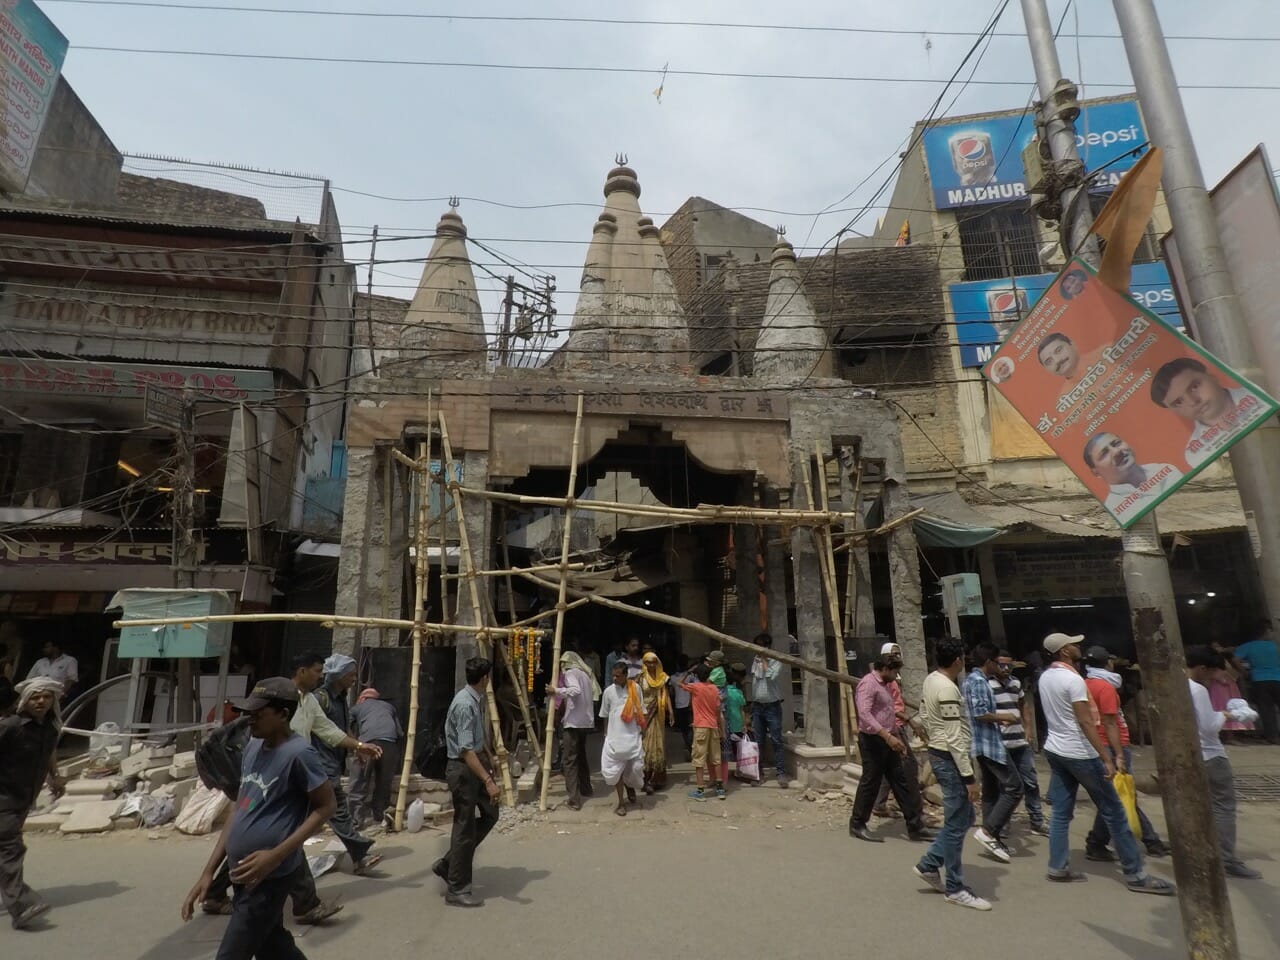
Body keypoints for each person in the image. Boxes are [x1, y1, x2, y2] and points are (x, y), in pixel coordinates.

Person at [181, 677, 336, 959]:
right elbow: (242, 807)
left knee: (232, 954)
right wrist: (208, 871)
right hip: (242, 872)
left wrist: (276, 855)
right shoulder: (253, 747)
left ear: (283, 715)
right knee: (273, 946)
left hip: (270, 875)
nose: (248, 720)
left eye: (258, 714)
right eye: (248, 713)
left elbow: (326, 807)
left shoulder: (300, 754)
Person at [1037, 632, 1173, 894]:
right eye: (1073, 644)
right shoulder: (1072, 680)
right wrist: (1106, 757)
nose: (1078, 647)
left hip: (1055, 749)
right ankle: (1136, 874)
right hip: (1080, 752)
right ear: (1064, 651)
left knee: (1061, 814)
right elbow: (1087, 721)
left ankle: (1058, 866)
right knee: (1114, 811)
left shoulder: (1047, 677)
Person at [912, 638, 990, 911]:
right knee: (957, 823)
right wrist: (969, 778)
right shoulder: (946, 689)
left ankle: (929, 864)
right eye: (963, 657)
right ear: (958, 660)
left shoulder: (932, 679)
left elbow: (923, 712)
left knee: (965, 816)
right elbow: (955, 737)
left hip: (941, 751)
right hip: (949, 757)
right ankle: (955, 887)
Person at [293, 653, 382, 876]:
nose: (354, 678)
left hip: (320, 765)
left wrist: (358, 746)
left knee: (299, 821)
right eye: (350, 674)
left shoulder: (325, 699)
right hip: (316, 765)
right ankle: (360, 854)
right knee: (335, 808)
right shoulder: (317, 698)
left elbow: (333, 731)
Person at [1082, 647, 1168, 859]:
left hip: (1097, 745)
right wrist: (1118, 754)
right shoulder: (1106, 688)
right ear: (1108, 664)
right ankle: (1099, 843)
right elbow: (1111, 722)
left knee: (1118, 795)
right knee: (1120, 795)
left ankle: (1149, 840)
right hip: (1112, 745)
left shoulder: (1084, 685)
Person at [1186, 646, 1263, 879]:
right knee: (1223, 808)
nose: (1211, 678)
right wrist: (1229, 715)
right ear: (1201, 668)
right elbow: (1209, 727)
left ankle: (1198, 854)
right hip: (1210, 754)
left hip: (1188, 755)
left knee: (1198, 807)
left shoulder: (1173, 684)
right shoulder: (1197, 689)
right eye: (1210, 673)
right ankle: (1226, 859)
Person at [433, 657, 500, 907]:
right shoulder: (464, 704)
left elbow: (475, 738)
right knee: (464, 827)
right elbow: (465, 749)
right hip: (463, 769)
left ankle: (450, 863)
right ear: (484, 679)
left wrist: (489, 757)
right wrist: (487, 780)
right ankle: (457, 887)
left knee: (491, 814)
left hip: (475, 764)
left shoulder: (475, 700)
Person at [0, 677, 65, 929]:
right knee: (10, 849)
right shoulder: (11, 726)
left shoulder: (49, 728)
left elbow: (48, 752)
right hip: (3, 798)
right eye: (35, 697)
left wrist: (55, 776)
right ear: (25, 700)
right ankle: (21, 906)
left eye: (46, 697)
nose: (41, 701)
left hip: (24, 798)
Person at [849, 655, 935, 844]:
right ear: (886, 669)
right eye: (895, 672)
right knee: (870, 782)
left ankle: (915, 826)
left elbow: (888, 712)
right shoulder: (868, 684)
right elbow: (864, 714)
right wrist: (887, 736)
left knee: (901, 781)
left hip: (889, 738)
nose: (896, 676)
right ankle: (857, 824)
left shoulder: (885, 685)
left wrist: (895, 736)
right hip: (873, 740)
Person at [962, 642, 1023, 864]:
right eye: (997, 663)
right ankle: (988, 831)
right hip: (989, 744)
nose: (1002, 667)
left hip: (985, 743)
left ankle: (991, 835)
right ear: (988, 662)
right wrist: (1005, 717)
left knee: (991, 790)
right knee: (1015, 787)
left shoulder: (974, 680)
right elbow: (980, 713)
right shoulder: (978, 681)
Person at [1150, 358, 1261, 468]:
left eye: (1194, 387)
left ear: (1212, 376)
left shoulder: (1261, 393)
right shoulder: (1196, 453)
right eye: (1178, 402)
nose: (1193, 402)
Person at [989, 651, 1047, 837]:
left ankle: (1037, 820)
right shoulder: (988, 685)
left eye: (1009, 665)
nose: (1005, 669)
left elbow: (1024, 706)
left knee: (1030, 781)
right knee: (1006, 786)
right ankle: (1003, 823)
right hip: (1001, 744)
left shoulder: (1016, 684)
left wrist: (1028, 729)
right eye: (1001, 665)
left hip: (1020, 742)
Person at [1082, 433, 1182, 518]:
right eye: (1104, 453)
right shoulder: (1115, 509)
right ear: (1095, 472)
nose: (1117, 452)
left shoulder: (1166, 470)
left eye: (1117, 443)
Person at [348, 688, 404, 829]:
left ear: (363, 698)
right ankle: (380, 816)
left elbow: (345, 727)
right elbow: (399, 733)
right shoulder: (389, 707)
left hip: (367, 744)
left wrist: (356, 745)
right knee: (384, 783)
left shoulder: (357, 707)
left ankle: (356, 821)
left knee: (359, 782)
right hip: (389, 744)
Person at [599, 661, 646, 816]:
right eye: (613, 675)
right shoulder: (608, 692)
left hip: (632, 735)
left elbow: (641, 710)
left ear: (626, 676)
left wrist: (642, 730)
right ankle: (620, 802)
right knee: (615, 771)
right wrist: (606, 732)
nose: (614, 678)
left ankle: (630, 786)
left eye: (617, 676)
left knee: (635, 768)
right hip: (614, 737)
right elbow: (605, 714)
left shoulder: (636, 688)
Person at [553, 651, 599, 810]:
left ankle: (574, 799)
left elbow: (575, 690)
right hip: (584, 722)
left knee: (569, 760)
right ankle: (586, 788)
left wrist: (557, 691)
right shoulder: (585, 675)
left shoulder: (571, 673)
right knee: (581, 756)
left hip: (573, 722)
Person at [749, 632, 790, 788]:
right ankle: (758, 773)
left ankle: (781, 773)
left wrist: (765, 659)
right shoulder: (755, 660)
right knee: (758, 741)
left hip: (772, 706)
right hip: (758, 706)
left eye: (760, 646)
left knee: (776, 740)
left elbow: (771, 676)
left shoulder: (776, 661)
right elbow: (755, 678)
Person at [683, 663, 725, 801]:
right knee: (716, 759)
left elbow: (679, 683)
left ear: (697, 676)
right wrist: (720, 727)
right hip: (713, 726)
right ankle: (720, 789)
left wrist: (688, 671)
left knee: (698, 760)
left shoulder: (695, 687)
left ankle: (700, 791)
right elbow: (718, 711)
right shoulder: (714, 689)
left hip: (701, 727)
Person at [1234, 619, 1280, 744]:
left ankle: (1273, 736)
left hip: (1259, 680)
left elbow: (1236, 659)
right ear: (1266, 631)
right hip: (1277, 679)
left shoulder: (1248, 646)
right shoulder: (1275, 646)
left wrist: (1244, 672)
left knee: (1266, 709)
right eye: (1271, 631)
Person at [639, 652, 674, 793]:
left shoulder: (661, 678)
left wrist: (670, 711)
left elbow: (665, 695)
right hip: (644, 714)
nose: (651, 665)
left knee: (657, 745)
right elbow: (635, 696)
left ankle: (656, 779)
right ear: (644, 664)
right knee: (645, 746)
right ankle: (644, 778)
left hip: (658, 714)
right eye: (648, 662)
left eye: (653, 662)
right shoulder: (640, 679)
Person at [724, 663, 751, 782]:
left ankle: (725, 773)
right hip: (738, 725)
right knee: (739, 750)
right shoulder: (738, 693)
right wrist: (744, 724)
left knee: (725, 751)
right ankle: (740, 770)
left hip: (727, 725)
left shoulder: (722, 694)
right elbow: (742, 709)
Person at [669, 655, 695, 761]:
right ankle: (690, 747)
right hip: (690, 705)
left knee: (684, 729)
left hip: (679, 705)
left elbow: (671, 691)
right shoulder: (691, 676)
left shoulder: (673, 678)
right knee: (690, 728)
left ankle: (688, 746)